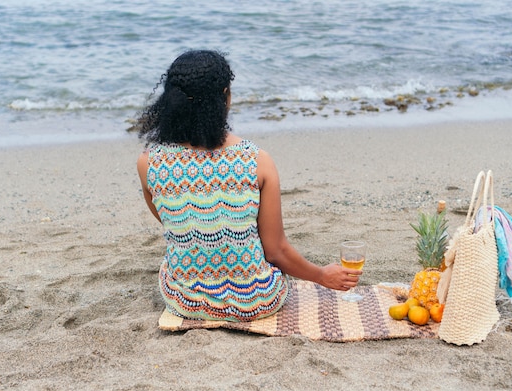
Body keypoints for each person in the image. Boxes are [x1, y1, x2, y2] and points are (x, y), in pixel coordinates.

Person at [136, 50, 361, 322]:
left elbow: (177, 224)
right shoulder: (257, 161)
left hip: (185, 299)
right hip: (256, 300)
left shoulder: (150, 163)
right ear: (225, 97)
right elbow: (275, 250)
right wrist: (321, 276)